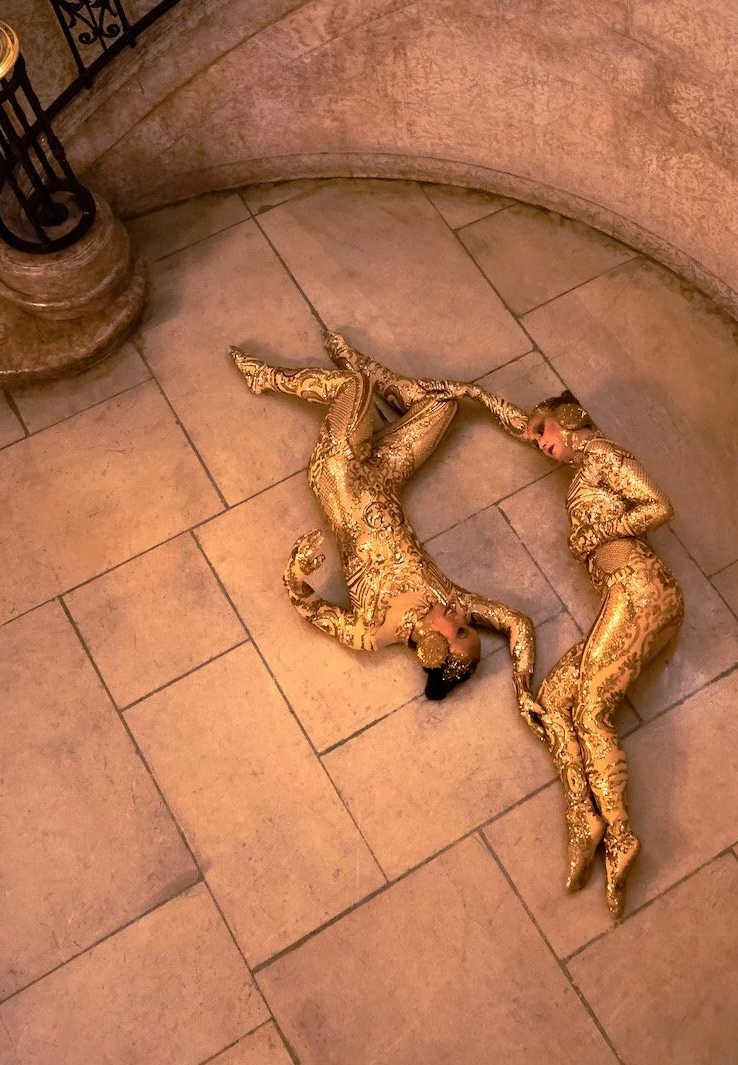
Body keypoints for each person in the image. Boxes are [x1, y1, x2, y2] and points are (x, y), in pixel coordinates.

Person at [392, 372, 682, 919]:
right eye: (535, 438)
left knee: (591, 711)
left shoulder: (603, 454)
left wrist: (598, 534)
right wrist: (475, 395)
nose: (539, 444)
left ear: (567, 419)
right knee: (552, 698)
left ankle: (621, 835)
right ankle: (583, 817)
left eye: (543, 432)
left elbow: (658, 505)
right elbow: (519, 422)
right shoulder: (579, 460)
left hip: (643, 591)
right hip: (621, 596)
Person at [228, 329, 538, 704]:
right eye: (466, 626)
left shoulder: (371, 631)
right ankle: (360, 368)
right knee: (444, 404)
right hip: (385, 477)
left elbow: (308, 607)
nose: (461, 617)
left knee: (352, 387)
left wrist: (296, 570)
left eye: (458, 631)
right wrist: (523, 687)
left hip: (339, 473)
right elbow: (517, 623)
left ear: (431, 649)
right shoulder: (449, 599)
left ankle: (267, 377)